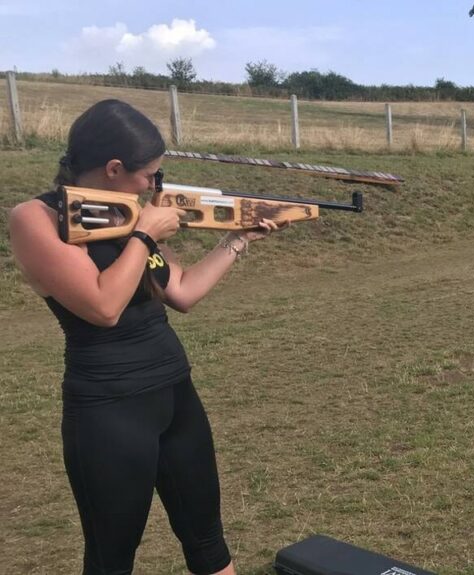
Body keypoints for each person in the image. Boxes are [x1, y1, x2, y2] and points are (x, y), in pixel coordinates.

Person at [8, 99, 285, 575]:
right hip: (108, 408)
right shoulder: (37, 218)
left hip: (174, 392)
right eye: (151, 176)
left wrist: (236, 240)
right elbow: (102, 307)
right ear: (114, 168)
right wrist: (144, 236)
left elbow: (181, 292)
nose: (156, 187)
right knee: (110, 560)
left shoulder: (128, 213)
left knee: (209, 544)